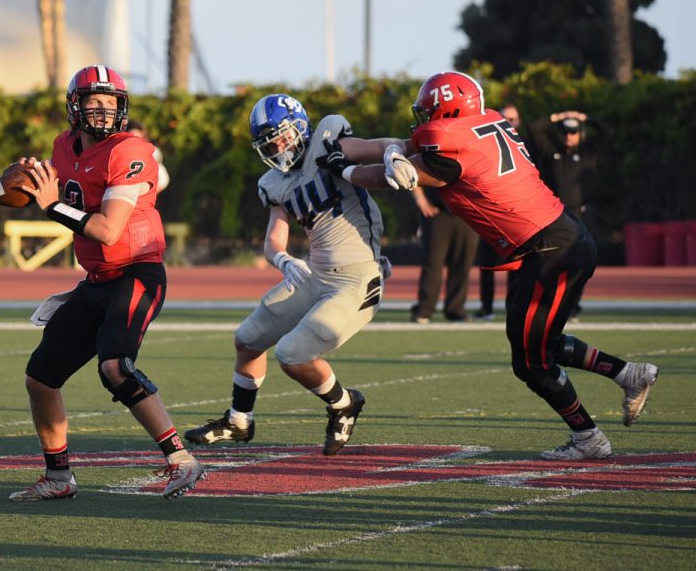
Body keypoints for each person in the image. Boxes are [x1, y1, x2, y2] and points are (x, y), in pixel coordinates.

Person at [317, 71, 659, 460]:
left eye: (429, 111)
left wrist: (342, 169)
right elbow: (392, 145)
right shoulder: (476, 125)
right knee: (537, 343)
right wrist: (345, 147)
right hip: (555, 239)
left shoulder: (448, 146)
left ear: (445, 111)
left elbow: (392, 175)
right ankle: (628, 374)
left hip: (552, 250)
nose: (423, 119)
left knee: (531, 362)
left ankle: (589, 438)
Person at [7, 64, 204, 500]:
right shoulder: (63, 146)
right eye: (92, 102)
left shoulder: (128, 149)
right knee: (40, 378)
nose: (101, 111)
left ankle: (181, 459)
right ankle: (58, 477)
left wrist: (51, 205)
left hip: (137, 272)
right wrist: (19, 182)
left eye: (110, 103)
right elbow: (45, 190)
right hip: (95, 280)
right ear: (73, 108)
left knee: (115, 366)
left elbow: (106, 231)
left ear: (122, 107)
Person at [184, 93, 394, 455]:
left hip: (357, 277)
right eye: (269, 143)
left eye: (282, 137)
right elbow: (273, 239)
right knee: (247, 340)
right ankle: (239, 422)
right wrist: (283, 260)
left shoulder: (328, 138)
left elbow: (374, 149)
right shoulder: (274, 183)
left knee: (293, 354)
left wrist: (395, 153)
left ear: (300, 128)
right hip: (315, 275)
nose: (278, 148)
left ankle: (344, 403)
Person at [527, 110, 607, 320]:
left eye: (573, 132)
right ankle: (551, 303)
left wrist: (585, 118)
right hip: (557, 216)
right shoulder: (552, 152)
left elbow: (608, 132)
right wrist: (557, 117)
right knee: (553, 262)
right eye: (565, 132)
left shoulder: (589, 153)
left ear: (580, 134)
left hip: (581, 215)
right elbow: (534, 128)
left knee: (581, 263)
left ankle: (572, 305)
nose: (568, 136)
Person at [472, 104, 522, 321]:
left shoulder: (525, 143)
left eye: (513, 119)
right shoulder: (485, 144)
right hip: (492, 214)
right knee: (488, 263)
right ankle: (487, 307)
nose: (509, 123)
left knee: (518, 266)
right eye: (506, 118)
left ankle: (514, 306)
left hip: (515, 213)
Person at [410, 186, 479, 323]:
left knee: (463, 262)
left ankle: (455, 309)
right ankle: (425, 309)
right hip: (437, 211)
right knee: (433, 262)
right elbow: (413, 171)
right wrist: (420, 198)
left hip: (468, 212)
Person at [127, 120, 171, 194]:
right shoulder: (118, 152)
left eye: (138, 138)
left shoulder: (152, 152)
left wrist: (147, 192)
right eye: (131, 137)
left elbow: (163, 179)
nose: (135, 141)